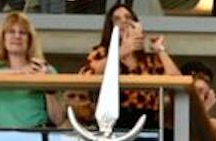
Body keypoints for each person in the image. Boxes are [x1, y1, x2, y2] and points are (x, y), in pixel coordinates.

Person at [68, 2, 180, 132]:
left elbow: (176, 78)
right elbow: (87, 74)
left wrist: (160, 49)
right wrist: (121, 51)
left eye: (128, 17)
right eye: (117, 19)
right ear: (111, 26)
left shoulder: (148, 59)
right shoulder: (102, 52)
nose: (124, 21)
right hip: (113, 121)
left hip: (147, 122)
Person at [0, 12, 66, 130]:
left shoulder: (42, 68)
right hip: (4, 138)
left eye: (22, 33)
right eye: (11, 32)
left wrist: (49, 89)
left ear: (30, 39)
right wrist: (19, 72)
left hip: (37, 135)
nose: (17, 36)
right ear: (3, 38)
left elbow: (58, 119)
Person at [179, 60, 216, 141]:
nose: (201, 98)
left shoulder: (197, 115)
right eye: (199, 91)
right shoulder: (174, 107)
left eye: (205, 95)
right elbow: (186, 125)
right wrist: (205, 109)